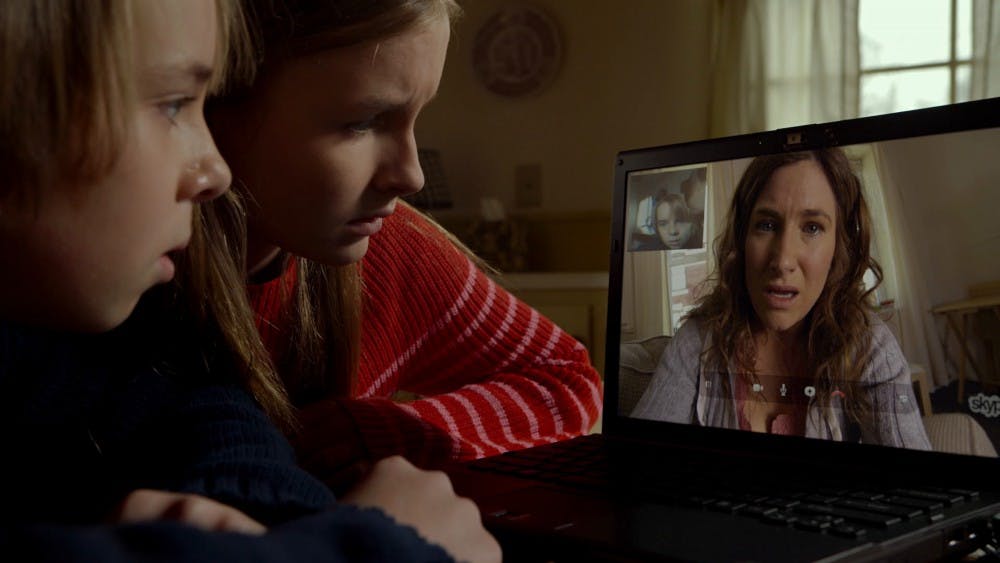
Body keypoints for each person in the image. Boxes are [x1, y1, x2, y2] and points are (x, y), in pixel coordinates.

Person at [0, 1, 499, 561]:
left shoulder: (82, 351)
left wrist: (270, 517)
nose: (215, 170)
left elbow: (198, 411)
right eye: (174, 104)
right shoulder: (117, 305)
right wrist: (372, 545)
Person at [207, 0, 602, 491]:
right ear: (218, 105)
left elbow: (565, 377)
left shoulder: (389, 246)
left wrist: (394, 433)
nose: (412, 176)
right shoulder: (133, 287)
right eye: (363, 121)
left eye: (417, 116)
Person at [632, 148, 931, 449]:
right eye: (766, 225)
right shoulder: (697, 342)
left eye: (812, 227)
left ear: (839, 247)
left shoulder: (870, 347)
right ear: (742, 238)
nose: (783, 260)